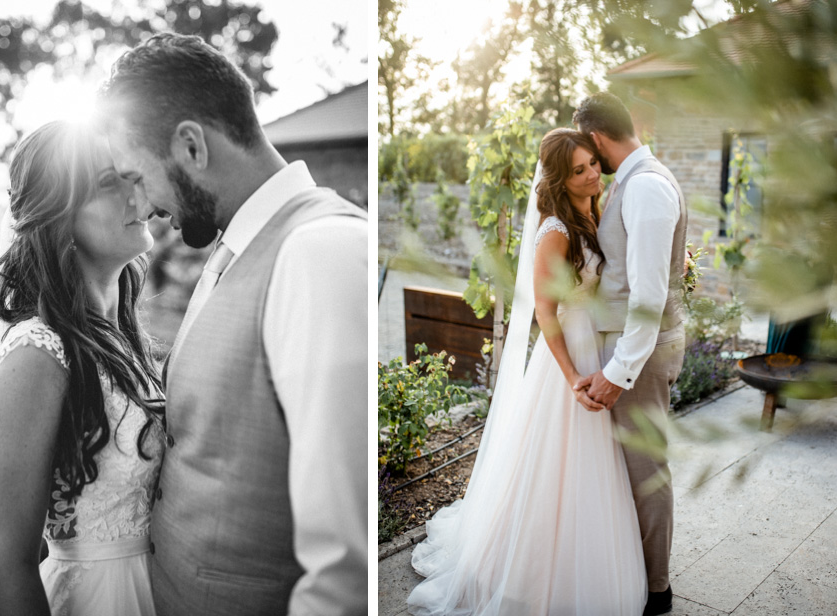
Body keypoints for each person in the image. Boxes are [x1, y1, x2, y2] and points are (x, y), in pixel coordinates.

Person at [98, 33, 367, 615]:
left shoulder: (319, 251)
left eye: (138, 178)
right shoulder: (235, 246)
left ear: (191, 145)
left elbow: (347, 567)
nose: (142, 207)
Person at [406, 127, 647, 616]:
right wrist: (571, 376)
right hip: (567, 358)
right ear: (559, 179)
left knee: (591, 464)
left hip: (598, 346)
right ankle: (527, 574)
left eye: (592, 164)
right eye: (578, 170)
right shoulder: (555, 232)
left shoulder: (596, 211)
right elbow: (544, 312)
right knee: (550, 463)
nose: (591, 174)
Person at [0, 120, 166, 615]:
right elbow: (7, 562)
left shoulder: (122, 337)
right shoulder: (37, 354)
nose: (137, 196)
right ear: (59, 217)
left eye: (130, 176)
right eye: (106, 183)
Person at [572, 91, 687, 616]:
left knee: (646, 470)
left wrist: (618, 372)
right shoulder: (641, 181)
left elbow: (648, 298)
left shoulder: (643, 188)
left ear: (596, 137)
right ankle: (633, 571)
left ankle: (657, 590)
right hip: (633, 348)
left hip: (639, 355)